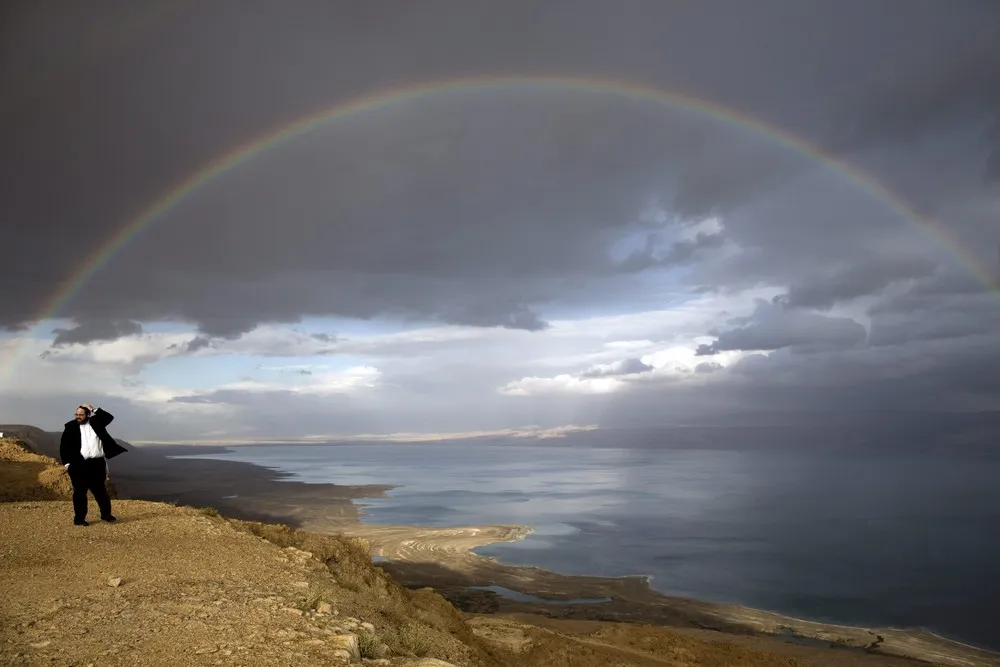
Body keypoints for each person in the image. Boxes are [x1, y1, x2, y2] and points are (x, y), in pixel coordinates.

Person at [59, 404, 127, 526]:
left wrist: (93, 408)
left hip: (97, 463)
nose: (78, 417)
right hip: (78, 464)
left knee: (101, 490)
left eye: (81, 414)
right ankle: (79, 519)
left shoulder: (97, 422)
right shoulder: (70, 426)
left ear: (88, 414)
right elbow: (64, 446)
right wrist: (68, 464)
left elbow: (109, 417)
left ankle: (106, 515)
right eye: (76, 414)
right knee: (80, 492)